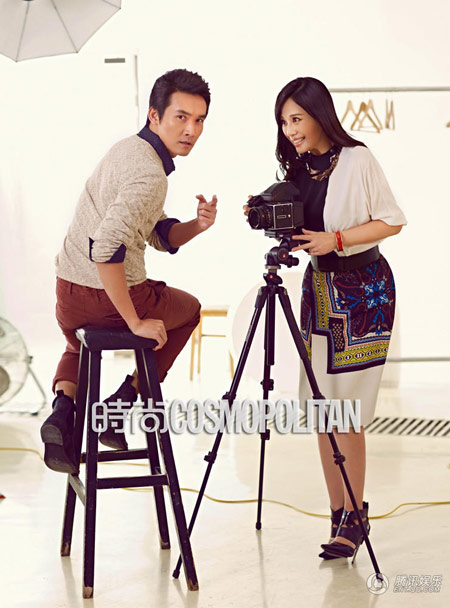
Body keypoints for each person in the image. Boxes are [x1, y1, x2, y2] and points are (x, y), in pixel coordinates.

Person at [244, 76, 406, 560]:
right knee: (322, 411)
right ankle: (339, 514)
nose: (290, 130)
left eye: (297, 119)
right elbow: (301, 230)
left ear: (320, 115)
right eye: (283, 122)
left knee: (346, 412)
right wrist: (264, 211)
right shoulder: (299, 169)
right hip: (318, 291)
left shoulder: (358, 159)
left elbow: (392, 220)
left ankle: (356, 516)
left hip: (363, 292)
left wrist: (335, 240)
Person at [40, 68, 217, 474]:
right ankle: (120, 405)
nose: (191, 130)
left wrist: (197, 224)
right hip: (109, 297)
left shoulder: (126, 150)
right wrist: (134, 321)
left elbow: (155, 232)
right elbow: (106, 248)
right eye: (181, 117)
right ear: (154, 114)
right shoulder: (151, 174)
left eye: (199, 120)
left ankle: (62, 412)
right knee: (190, 310)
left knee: (77, 347)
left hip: (68, 294)